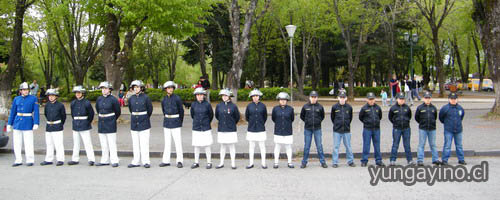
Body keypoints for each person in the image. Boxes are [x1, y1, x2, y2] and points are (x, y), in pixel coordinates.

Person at [7, 82, 40, 167]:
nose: (25, 91)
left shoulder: (33, 98)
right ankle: (18, 159)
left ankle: (30, 159)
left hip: (28, 121)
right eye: (23, 90)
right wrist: (9, 123)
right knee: (17, 142)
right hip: (17, 122)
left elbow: (36, 111)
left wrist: (36, 122)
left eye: (27, 90)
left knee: (28, 142)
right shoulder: (16, 99)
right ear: (20, 91)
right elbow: (13, 112)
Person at [127, 80, 153, 168]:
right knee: (135, 143)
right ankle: (136, 161)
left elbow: (149, 110)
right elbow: (131, 110)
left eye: (137, 87)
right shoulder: (131, 98)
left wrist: (144, 118)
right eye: (134, 87)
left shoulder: (146, 98)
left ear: (141, 88)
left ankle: (146, 161)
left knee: (144, 143)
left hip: (144, 122)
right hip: (134, 123)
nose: (136, 89)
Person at [95, 81, 121, 167]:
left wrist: (112, 119)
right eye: (102, 88)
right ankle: (104, 160)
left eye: (105, 88)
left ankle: (114, 160)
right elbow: (98, 109)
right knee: (103, 143)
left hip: (110, 122)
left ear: (109, 90)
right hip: (102, 122)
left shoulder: (113, 99)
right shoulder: (99, 99)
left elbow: (117, 111)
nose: (104, 90)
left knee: (111, 143)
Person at [68, 85, 96, 166]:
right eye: (76, 93)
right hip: (76, 123)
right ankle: (75, 159)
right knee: (76, 143)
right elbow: (72, 114)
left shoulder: (87, 102)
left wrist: (88, 122)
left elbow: (91, 114)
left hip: (84, 124)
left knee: (87, 143)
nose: (77, 94)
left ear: (82, 93)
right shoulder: (73, 103)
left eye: (79, 92)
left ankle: (91, 159)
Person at [160, 81, 185, 168]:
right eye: (168, 88)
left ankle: (179, 160)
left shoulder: (177, 98)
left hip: (175, 121)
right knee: (167, 142)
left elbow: (181, 111)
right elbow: (163, 110)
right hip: (167, 121)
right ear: (166, 89)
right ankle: (166, 160)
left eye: (171, 88)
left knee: (178, 142)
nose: (170, 89)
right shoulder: (164, 99)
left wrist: (179, 122)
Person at [299, 91, 327, 168]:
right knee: (307, 146)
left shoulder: (320, 107)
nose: (313, 99)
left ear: (317, 98)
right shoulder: (305, 106)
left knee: (319, 146)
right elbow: (302, 116)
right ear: (309, 97)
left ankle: (322, 162)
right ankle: (304, 162)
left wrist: (317, 122)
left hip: (317, 129)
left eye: (315, 97)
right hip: (308, 129)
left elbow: (322, 116)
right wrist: (308, 122)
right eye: (312, 97)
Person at [215, 89, 240, 169]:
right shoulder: (219, 106)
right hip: (222, 128)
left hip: (231, 129)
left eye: (226, 95)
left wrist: (231, 123)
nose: (224, 97)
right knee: (222, 146)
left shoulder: (233, 106)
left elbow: (237, 117)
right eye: (223, 96)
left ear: (229, 96)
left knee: (231, 146)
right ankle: (221, 163)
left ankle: (233, 163)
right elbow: (217, 116)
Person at [40, 89, 66, 166]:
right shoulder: (47, 105)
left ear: (56, 96)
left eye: (52, 96)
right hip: (49, 126)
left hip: (57, 126)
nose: (51, 97)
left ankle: (60, 159)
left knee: (58, 144)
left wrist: (60, 124)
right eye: (49, 96)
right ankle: (49, 159)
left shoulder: (60, 105)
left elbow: (63, 116)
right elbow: (46, 114)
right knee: (49, 143)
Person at [439, 92, 466, 165]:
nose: (453, 100)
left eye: (455, 99)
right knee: (447, 146)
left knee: (459, 146)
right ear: (449, 99)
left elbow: (461, 117)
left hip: (458, 130)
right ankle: (444, 160)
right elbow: (441, 118)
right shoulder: (445, 108)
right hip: (448, 130)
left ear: (457, 99)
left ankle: (461, 159)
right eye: (452, 99)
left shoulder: (460, 108)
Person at [190, 87, 214, 169]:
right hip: (196, 127)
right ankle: (196, 162)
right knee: (196, 145)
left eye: (201, 95)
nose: (199, 96)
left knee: (207, 145)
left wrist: (206, 122)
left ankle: (209, 162)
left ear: (204, 96)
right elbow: (192, 115)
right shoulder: (193, 104)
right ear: (196, 96)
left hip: (205, 127)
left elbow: (211, 115)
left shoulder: (207, 104)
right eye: (198, 95)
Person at [415, 91, 441, 166]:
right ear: (423, 99)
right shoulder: (420, 108)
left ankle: (435, 159)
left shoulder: (434, 108)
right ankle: (420, 160)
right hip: (423, 128)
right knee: (421, 145)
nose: (427, 99)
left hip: (432, 129)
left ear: (431, 99)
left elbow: (435, 117)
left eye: (429, 98)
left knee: (433, 144)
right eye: (426, 98)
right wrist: (422, 123)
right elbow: (417, 118)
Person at [359, 92, 384, 167]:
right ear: (367, 100)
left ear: (375, 99)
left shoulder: (378, 108)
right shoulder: (364, 108)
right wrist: (367, 123)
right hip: (367, 129)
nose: (371, 101)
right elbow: (361, 117)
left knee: (377, 145)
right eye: (370, 99)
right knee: (366, 145)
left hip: (376, 129)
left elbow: (380, 116)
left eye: (372, 99)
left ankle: (378, 160)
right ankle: (364, 160)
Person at [331, 91, 355, 168]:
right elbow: (332, 118)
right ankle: (335, 162)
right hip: (337, 130)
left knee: (348, 147)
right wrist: (337, 124)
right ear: (338, 98)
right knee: (336, 147)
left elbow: (350, 118)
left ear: (346, 98)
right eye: (340, 97)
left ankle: (350, 161)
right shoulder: (334, 107)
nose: (342, 99)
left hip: (346, 130)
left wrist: (346, 124)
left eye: (343, 98)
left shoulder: (349, 107)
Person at [245, 89, 268, 169]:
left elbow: (265, 117)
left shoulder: (263, 106)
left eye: (256, 96)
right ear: (251, 97)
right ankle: (251, 163)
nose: (255, 97)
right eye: (253, 96)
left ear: (259, 97)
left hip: (261, 129)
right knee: (251, 146)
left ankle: (264, 163)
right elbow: (247, 117)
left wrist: (260, 123)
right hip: (251, 129)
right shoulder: (249, 106)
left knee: (262, 146)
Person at [388, 93, 414, 166]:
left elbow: (409, 116)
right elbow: (390, 117)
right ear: (397, 99)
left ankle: (409, 160)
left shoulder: (407, 108)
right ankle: (392, 160)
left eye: (403, 99)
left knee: (407, 145)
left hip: (406, 128)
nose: (402, 100)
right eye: (400, 99)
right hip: (397, 128)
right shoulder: (393, 108)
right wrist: (395, 123)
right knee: (395, 145)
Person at [272, 92, 295, 168]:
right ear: (279, 100)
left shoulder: (290, 109)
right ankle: (276, 162)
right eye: (281, 100)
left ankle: (289, 162)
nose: (283, 101)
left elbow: (292, 119)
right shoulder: (275, 109)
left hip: (287, 131)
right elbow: (274, 118)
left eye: (284, 100)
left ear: (287, 100)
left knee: (288, 147)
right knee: (277, 146)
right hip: (278, 130)